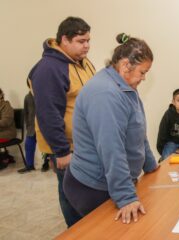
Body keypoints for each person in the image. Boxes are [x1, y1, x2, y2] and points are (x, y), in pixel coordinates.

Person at [63, 33, 158, 224]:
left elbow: (137, 131)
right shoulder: (105, 94)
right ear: (125, 66)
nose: (144, 78)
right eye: (143, 72)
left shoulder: (125, 85)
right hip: (91, 188)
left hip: (110, 183)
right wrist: (126, 197)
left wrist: (150, 165)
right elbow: (111, 149)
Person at [28, 16, 95, 227]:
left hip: (85, 143)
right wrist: (61, 151)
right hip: (67, 148)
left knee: (86, 193)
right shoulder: (49, 68)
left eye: (88, 40)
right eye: (81, 41)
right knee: (71, 195)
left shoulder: (83, 63)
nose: (87, 46)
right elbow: (48, 114)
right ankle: (76, 232)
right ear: (64, 40)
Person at [0, 88, 17, 170]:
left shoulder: (6, 105)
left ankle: (3, 159)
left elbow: (6, 121)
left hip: (8, 132)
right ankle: (4, 157)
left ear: (0, 95)